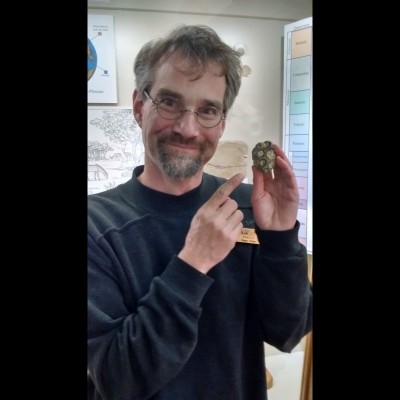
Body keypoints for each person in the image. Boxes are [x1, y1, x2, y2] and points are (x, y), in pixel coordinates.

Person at [87, 24, 312, 400]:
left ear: (221, 123)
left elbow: (288, 332)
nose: (188, 128)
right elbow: (117, 380)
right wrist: (193, 263)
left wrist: (280, 238)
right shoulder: (98, 227)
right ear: (140, 108)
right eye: (170, 102)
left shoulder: (247, 206)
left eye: (208, 109)